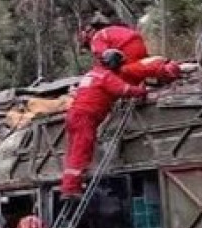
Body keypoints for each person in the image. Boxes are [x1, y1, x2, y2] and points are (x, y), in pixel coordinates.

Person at [61, 57, 149, 199]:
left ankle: (69, 186)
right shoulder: (106, 76)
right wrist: (141, 91)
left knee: (73, 153)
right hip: (86, 117)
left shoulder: (91, 75)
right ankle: (71, 189)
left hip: (74, 115)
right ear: (115, 64)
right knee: (81, 151)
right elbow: (123, 89)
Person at [80, 14, 189, 87]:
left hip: (126, 47)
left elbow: (107, 57)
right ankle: (157, 67)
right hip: (135, 42)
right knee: (136, 68)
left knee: (125, 71)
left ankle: (164, 69)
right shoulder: (111, 30)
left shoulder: (96, 38)